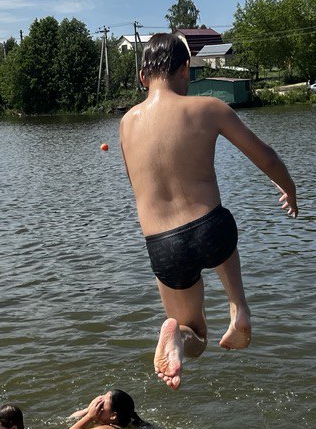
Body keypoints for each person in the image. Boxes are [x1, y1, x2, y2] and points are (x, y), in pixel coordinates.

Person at [118, 32, 298, 390]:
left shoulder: (126, 124)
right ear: (186, 70)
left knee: (195, 333)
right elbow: (267, 156)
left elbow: (136, 184)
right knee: (221, 231)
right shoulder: (209, 107)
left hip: (163, 243)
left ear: (142, 77)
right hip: (211, 227)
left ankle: (176, 337)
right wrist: (289, 191)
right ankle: (239, 309)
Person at [61, 388, 148, 429]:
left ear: (113, 416)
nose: (98, 403)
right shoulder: (106, 419)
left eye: (102, 404)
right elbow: (71, 418)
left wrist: (89, 416)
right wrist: (88, 409)